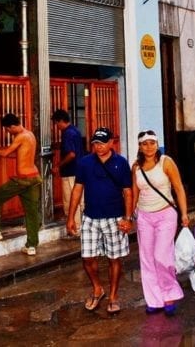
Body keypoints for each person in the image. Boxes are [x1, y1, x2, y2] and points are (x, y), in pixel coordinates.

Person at [67, 127, 133, 315]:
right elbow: (77, 190)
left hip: (115, 218)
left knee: (114, 258)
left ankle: (113, 296)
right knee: (87, 257)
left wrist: (128, 218)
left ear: (111, 143)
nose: (99, 147)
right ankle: (97, 288)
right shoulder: (85, 163)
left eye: (103, 143)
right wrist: (71, 217)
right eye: (96, 143)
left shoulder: (121, 163)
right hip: (90, 217)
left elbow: (128, 192)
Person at [131, 130, 189, 316]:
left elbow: (179, 188)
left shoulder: (166, 162)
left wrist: (184, 213)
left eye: (152, 143)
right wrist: (129, 215)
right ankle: (154, 300)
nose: (149, 147)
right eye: (145, 143)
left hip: (166, 214)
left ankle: (169, 294)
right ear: (139, 146)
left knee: (161, 256)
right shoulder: (136, 167)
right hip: (144, 216)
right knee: (147, 259)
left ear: (157, 144)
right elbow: (134, 193)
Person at [0, 113, 42, 256]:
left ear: (13, 126)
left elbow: (5, 153)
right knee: (31, 212)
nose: (8, 132)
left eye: (8, 129)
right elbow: (22, 154)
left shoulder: (20, 136)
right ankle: (31, 246)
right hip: (34, 177)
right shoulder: (30, 134)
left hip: (23, 179)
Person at [51, 109, 85, 230]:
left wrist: (57, 166)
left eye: (56, 123)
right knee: (80, 201)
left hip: (70, 171)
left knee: (71, 201)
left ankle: (75, 229)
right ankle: (81, 227)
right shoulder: (75, 130)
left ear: (60, 121)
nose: (56, 126)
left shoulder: (67, 133)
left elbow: (71, 154)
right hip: (79, 171)